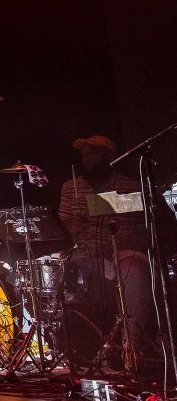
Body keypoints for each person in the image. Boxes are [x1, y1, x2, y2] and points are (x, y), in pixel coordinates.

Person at [57, 134, 153, 367]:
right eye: (83, 153)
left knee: (135, 270)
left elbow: (145, 212)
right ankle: (76, 348)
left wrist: (96, 207)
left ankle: (132, 348)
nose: (86, 157)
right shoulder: (71, 187)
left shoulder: (129, 184)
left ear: (108, 156)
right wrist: (73, 226)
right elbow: (66, 228)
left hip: (122, 251)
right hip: (86, 253)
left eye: (93, 152)